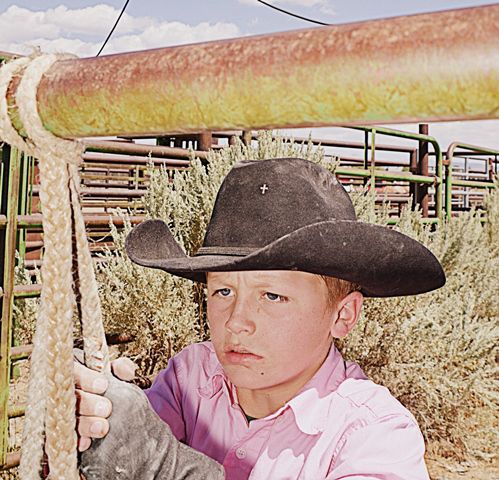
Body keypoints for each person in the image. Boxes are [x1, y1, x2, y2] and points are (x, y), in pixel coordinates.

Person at [76, 158, 445, 479]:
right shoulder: (191, 375)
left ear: (343, 315)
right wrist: (101, 412)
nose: (236, 322)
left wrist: (162, 467)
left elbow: (151, 458)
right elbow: (128, 441)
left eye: (272, 296)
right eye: (223, 292)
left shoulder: (374, 435)